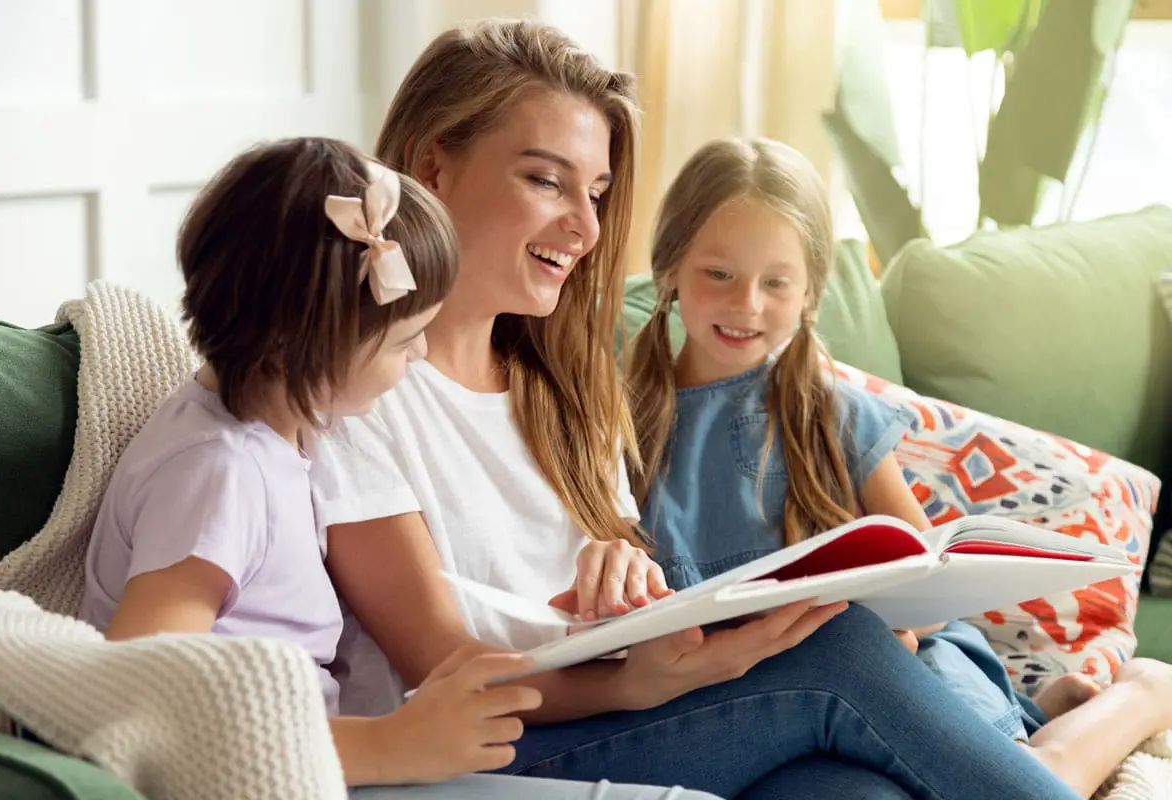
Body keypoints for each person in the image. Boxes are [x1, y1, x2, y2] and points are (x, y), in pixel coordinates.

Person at [309, 19, 1095, 800]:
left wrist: (627, 578)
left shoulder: (563, 389)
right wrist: (634, 685)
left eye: (596, 192)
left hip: (615, 715)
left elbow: (605, 606)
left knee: (855, 792)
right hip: (483, 756)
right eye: (546, 181)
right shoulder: (354, 393)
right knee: (843, 653)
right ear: (430, 168)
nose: (584, 227)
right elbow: (449, 673)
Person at [77, 136, 713, 800]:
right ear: (315, 337)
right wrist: (393, 742)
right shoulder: (218, 472)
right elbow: (140, 693)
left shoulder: (271, 441)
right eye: (406, 340)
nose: (415, 361)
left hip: (325, 762)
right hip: (297, 776)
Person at [626, 135, 1172, 799]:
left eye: (776, 283)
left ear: (809, 292)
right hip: (763, 715)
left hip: (901, 675)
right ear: (670, 267)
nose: (747, 304)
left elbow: (924, 581)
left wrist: (900, 625)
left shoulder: (830, 413)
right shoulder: (621, 425)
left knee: (1031, 780)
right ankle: (1049, 710)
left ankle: (1141, 693)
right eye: (719, 275)